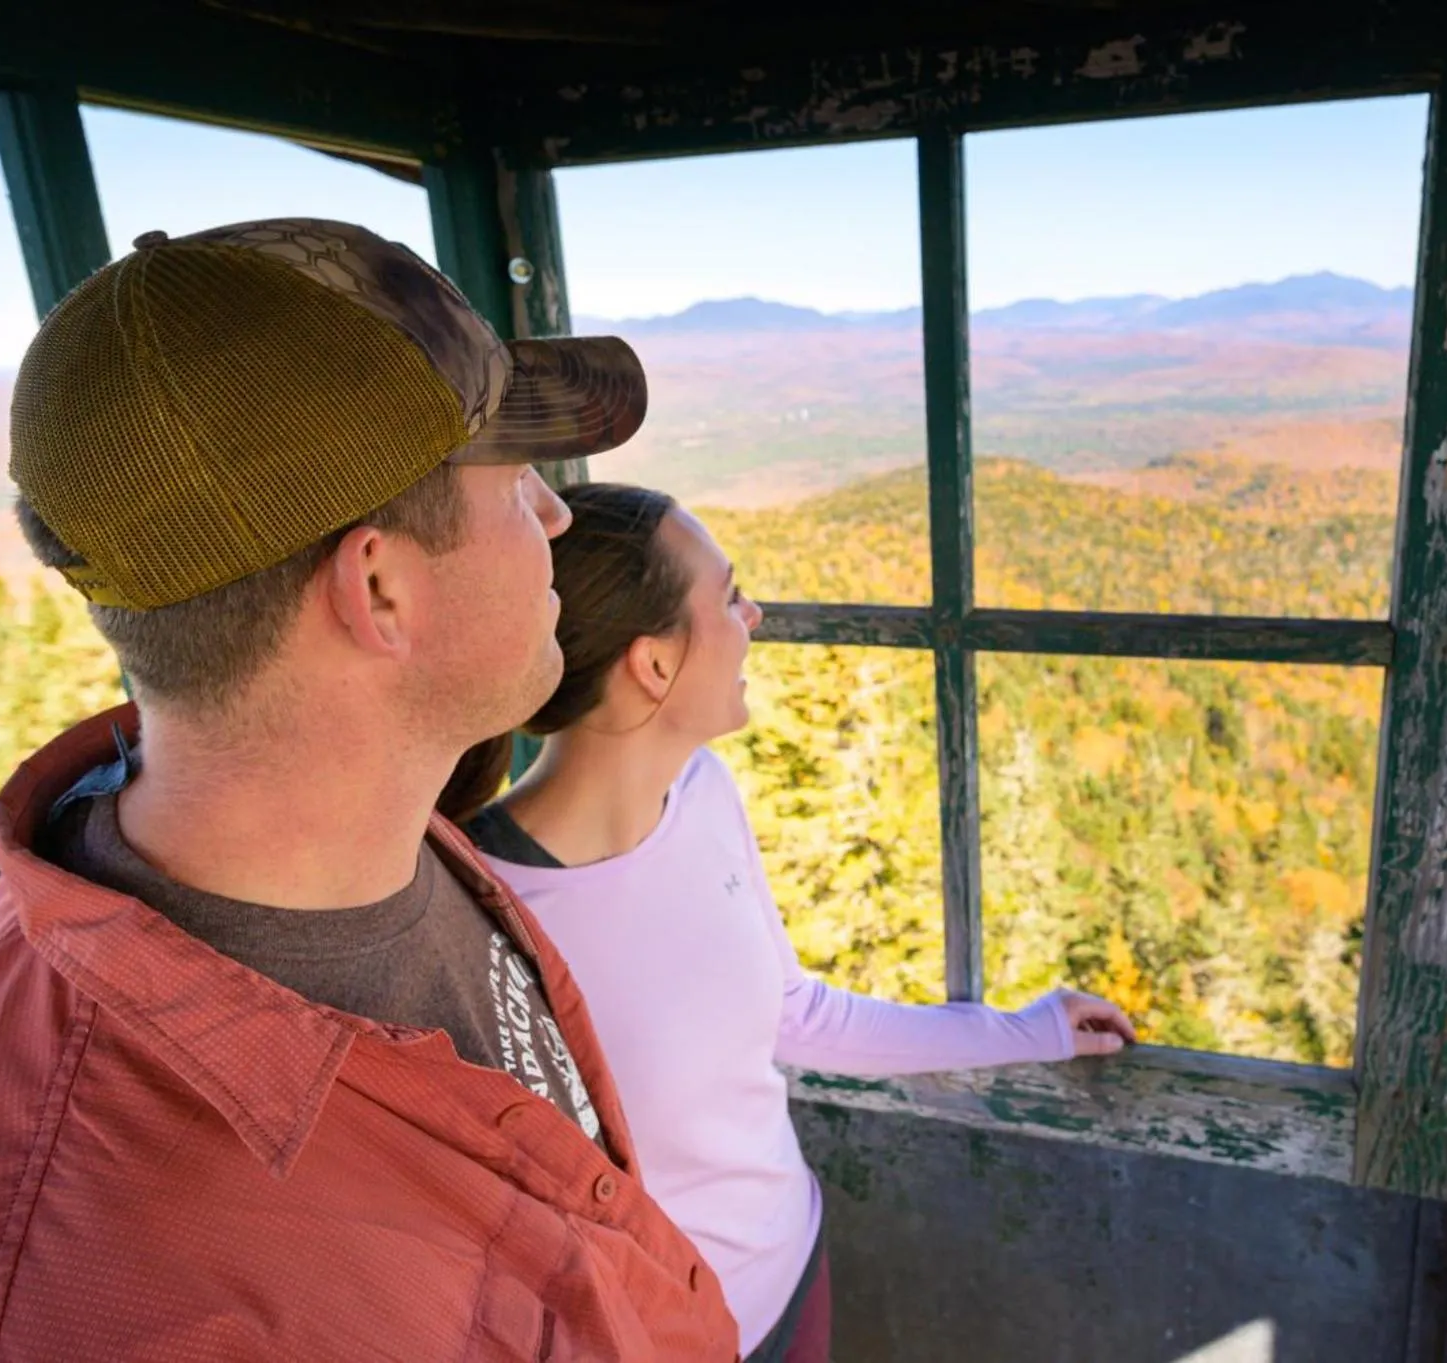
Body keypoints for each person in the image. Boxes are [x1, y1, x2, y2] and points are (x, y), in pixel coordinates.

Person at [0, 221, 738, 1361]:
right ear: (380, 586)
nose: (554, 518)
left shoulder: (390, 835)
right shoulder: (90, 1281)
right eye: (519, 482)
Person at [441, 483, 1139, 1363]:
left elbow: (796, 1013)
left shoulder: (704, 796)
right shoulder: (478, 905)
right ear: (653, 665)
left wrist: (1031, 1030)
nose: (754, 614)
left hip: (794, 1273)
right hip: (654, 1341)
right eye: (729, 595)